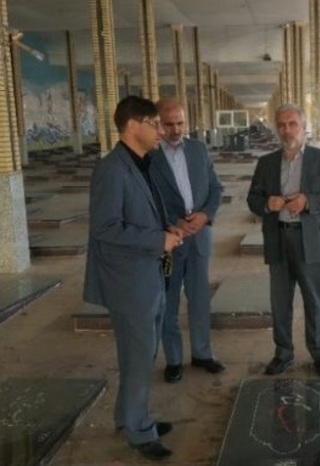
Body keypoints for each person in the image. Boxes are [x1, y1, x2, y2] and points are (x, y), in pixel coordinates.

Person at [83, 96, 183, 461]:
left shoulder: (140, 163)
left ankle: (129, 417)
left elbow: (144, 212)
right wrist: (158, 241)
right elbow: (106, 228)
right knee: (138, 356)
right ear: (131, 126)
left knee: (141, 353)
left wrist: (165, 229)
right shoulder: (112, 169)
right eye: (154, 124)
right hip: (128, 281)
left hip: (147, 273)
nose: (161, 131)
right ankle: (139, 431)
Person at [247, 103, 320, 378]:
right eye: (281, 125)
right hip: (278, 238)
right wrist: (267, 203)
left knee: (315, 301)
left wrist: (308, 201)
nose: (287, 130)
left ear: (304, 127)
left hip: (310, 240)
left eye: (292, 124)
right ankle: (283, 353)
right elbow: (252, 199)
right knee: (280, 302)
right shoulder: (266, 163)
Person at [150, 97, 225, 383]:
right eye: (169, 124)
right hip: (170, 243)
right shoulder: (150, 157)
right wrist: (172, 223)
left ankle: (202, 353)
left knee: (200, 298)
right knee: (168, 300)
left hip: (199, 238)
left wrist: (205, 215)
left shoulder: (198, 150)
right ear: (158, 124)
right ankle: (174, 359)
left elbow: (216, 188)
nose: (176, 130)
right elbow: (147, 201)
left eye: (180, 123)